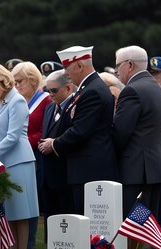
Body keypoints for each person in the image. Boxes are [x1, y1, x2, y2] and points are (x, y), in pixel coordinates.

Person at [38, 45, 118, 214]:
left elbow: (80, 130)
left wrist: (54, 144)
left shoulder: (92, 91)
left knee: (89, 223)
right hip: (84, 167)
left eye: (67, 67)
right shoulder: (87, 89)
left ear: (80, 66)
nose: (66, 73)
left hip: (90, 168)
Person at [0, 63, 39, 249]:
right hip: (5, 161)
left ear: (0, 80)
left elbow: (13, 136)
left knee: (21, 213)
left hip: (20, 161)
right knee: (11, 213)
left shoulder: (17, 101)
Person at [112, 45, 161, 223]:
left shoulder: (132, 90)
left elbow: (120, 132)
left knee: (131, 222)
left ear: (129, 65)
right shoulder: (155, 87)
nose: (116, 71)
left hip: (136, 168)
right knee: (145, 220)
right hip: (153, 166)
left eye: (117, 66)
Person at [11, 61, 51, 249]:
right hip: (15, 157)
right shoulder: (18, 101)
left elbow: (44, 131)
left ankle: (28, 244)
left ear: (33, 80)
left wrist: (20, 140)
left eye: (20, 81)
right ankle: (14, 245)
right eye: (14, 82)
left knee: (30, 203)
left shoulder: (45, 101)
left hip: (35, 157)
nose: (16, 86)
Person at [41, 70, 75, 235]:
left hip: (65, 173)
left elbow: (74, 136)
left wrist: (54, 145)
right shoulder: (49, 107)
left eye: (54, 90)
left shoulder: (74, 107)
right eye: (47, 90)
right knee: (50, 217)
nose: (50, 94)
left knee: (66, 220)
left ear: (68, 88)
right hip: (49, 174)